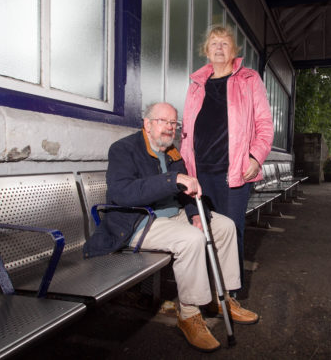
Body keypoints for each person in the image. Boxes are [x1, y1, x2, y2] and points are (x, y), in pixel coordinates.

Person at [83, 102, 258, 353]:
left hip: (173, 216)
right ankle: (188, 314)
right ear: (147, 123)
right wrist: (171, 179)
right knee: (192, 239)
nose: (169, 128)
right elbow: (122, 193)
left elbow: (186, 192)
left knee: (224, 226)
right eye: (163, 121)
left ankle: (223, 297)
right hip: (139, 221)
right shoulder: (124, 149)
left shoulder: (172, 152)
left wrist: (194, 213)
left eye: (173, 123)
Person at [180, 26, 274, 292]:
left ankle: (230, 293)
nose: (219, 47)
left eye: (224, 43)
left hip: (233, 172)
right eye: (214, 43)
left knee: (231, 231)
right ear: (206, 50)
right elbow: (187, 130)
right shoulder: (196, 85)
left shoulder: (249, 79)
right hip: (200, 173)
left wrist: (256, 157)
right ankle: (208, 290)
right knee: (202, 231)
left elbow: (265, 124)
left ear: (234, 50)